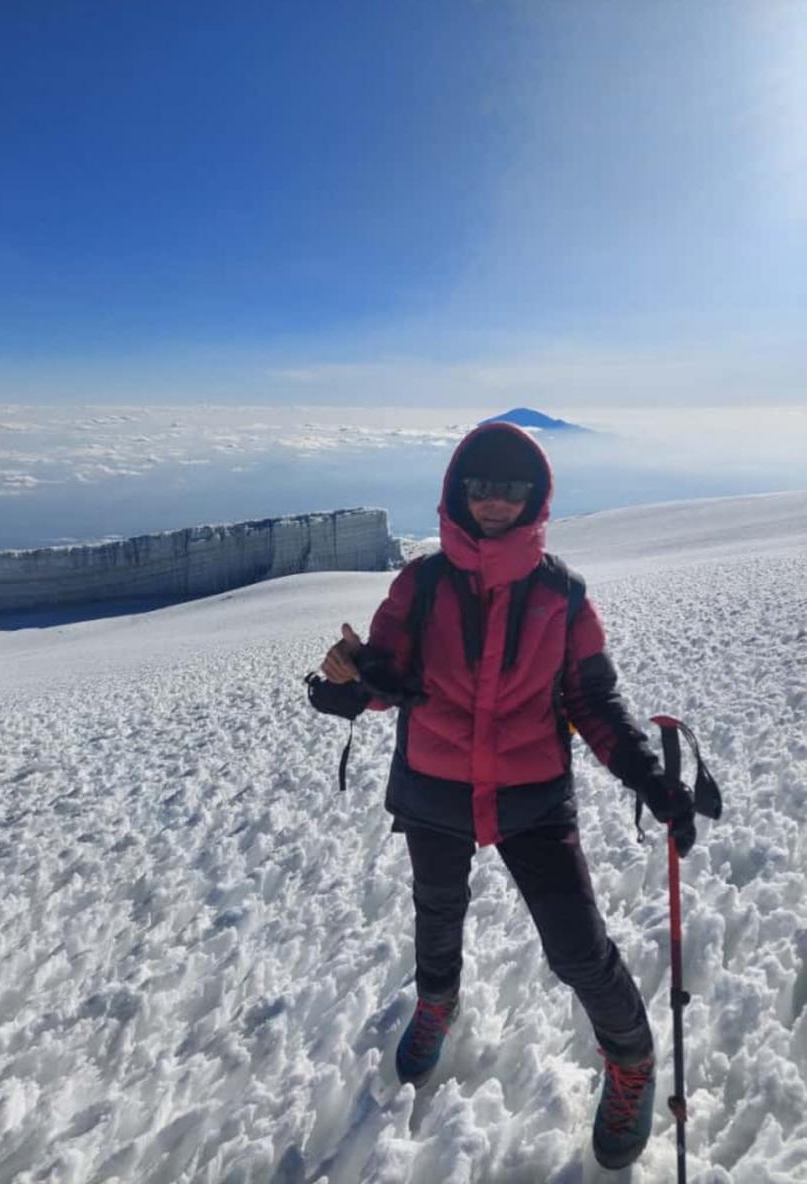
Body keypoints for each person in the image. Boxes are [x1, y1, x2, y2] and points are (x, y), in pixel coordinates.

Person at [318, 421, 696, 1171]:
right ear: (458, 493)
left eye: (511, 488)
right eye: (480, 486)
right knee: (437, 911)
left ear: (536, 498)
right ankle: (437, 1001)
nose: (494, 501)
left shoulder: (564, 596)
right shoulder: (418, 586)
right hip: (433, 788)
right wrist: (346, 687)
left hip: (530, 796)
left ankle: (632, 1063)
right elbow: (381, 677)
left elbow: (593, 701)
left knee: (577, 946)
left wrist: (651, 777)